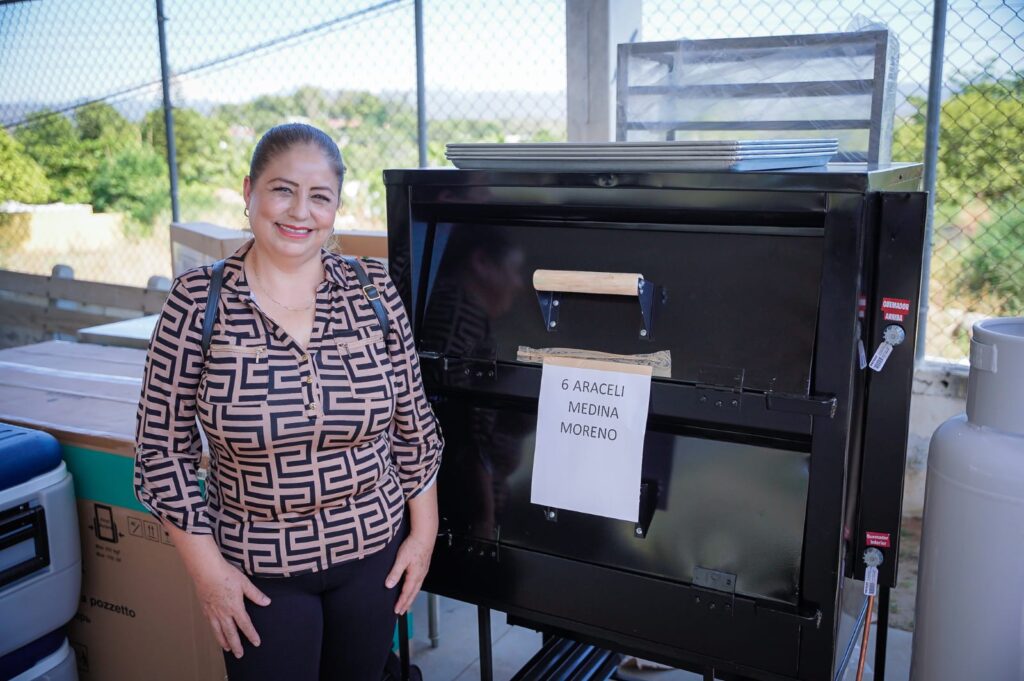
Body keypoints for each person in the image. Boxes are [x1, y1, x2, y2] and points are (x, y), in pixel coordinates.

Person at [134, 122, 443, 680]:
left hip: (373, 555)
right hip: (257, 570)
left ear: (336, 207)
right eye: (283, 189)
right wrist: (209, 575)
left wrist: (422, 538)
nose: (300, 211)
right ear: (249, 190)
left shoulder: (372, 292)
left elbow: (413, 426)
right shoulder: (198, 302)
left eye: (319, 196)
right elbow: (162, 453)